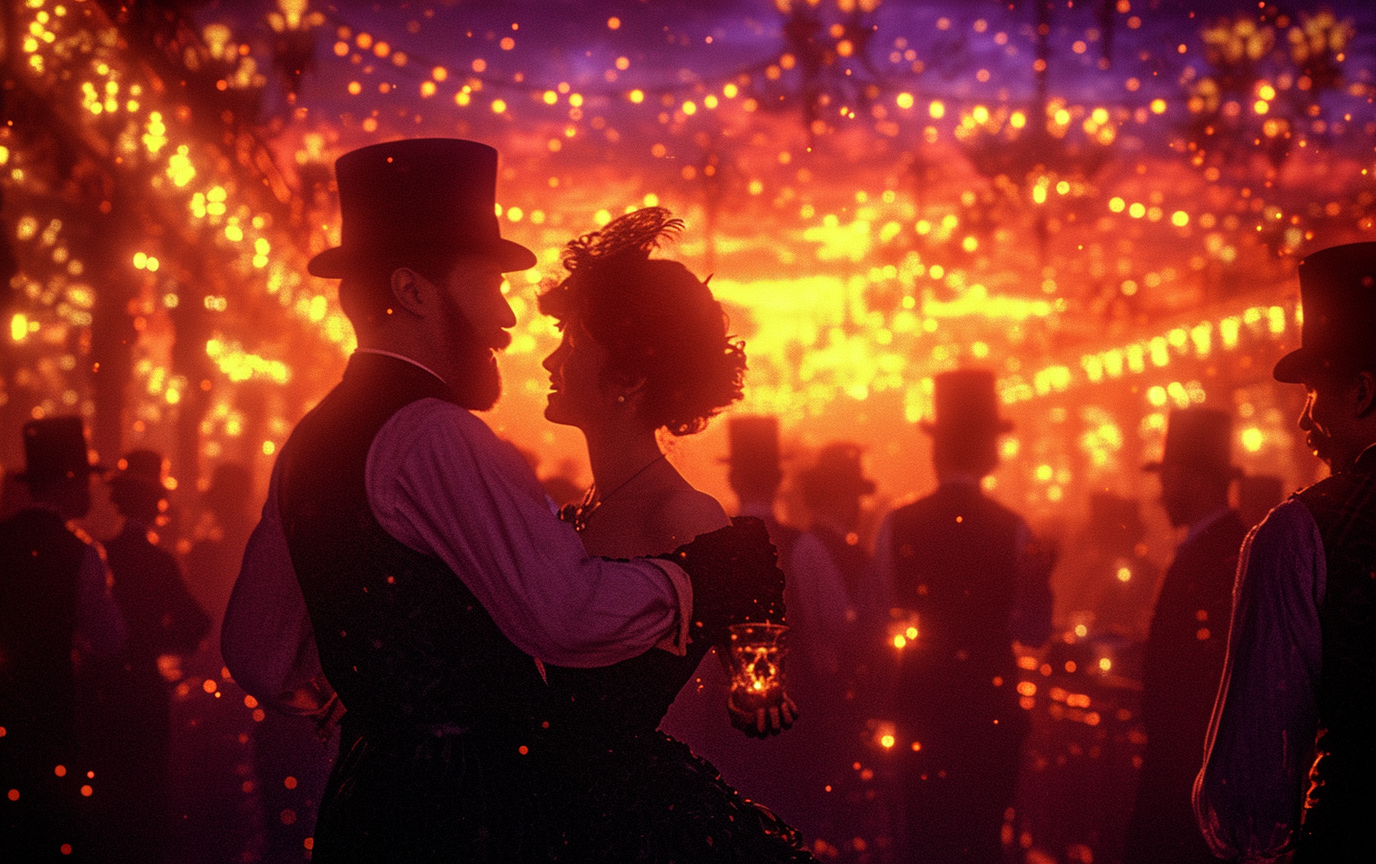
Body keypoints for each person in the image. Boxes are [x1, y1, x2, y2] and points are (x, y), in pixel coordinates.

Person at [219, 139, 784, 862]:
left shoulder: (310, 441)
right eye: (490, 286)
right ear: (414, 291)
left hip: (367, 801)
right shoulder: (439, 436)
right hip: (466, 808)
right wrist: (693, 580)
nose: (509, 320)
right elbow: (563, 611)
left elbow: (260, 655)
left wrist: (383, 692)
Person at [536, 206, 812, 861]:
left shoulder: (684, 520)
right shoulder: (579, 512)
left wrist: (758, 687)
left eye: (572, 344)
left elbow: (757, 690)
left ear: (628, 379)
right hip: (552, 813)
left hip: (625, 827)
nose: (550, 359)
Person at [1196, 241, 1376, 862]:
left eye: (1314, 392)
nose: (1305, 421)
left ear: (1360, 391)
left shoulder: (1298, 534)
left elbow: (1246, 792)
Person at [870, 368, 1053, 864]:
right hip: (989, 712)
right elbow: (1035, 631)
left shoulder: (896, 525)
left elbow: (880, 612)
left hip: (921, 709)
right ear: (988, 451)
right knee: (981, 839)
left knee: (924, 840)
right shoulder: (1015, 530)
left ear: (937, 449)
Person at [1123, 409, 1248, 864]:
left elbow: (1194, 683)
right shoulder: (1224, 548)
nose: (1159, 495)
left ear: (1193, 481)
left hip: (1189, 773)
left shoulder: (1213, 557)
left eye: (1167, 478)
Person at [0, 418, 127, 861]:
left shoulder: (3, 541)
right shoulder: (81, 552)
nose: (92, 492)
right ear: (69, 481)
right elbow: (110, 641)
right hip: (53, 712)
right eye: (87, 479)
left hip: (4, 711)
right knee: (51, 828)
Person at [93, 449, 210, 863]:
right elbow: (196, 623)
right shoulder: (159, 562)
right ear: (157, 503)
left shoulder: (98, 552)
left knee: (106, 796)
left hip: (100, 692)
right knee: (146, 798)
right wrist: (165, 643)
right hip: (144, 691)